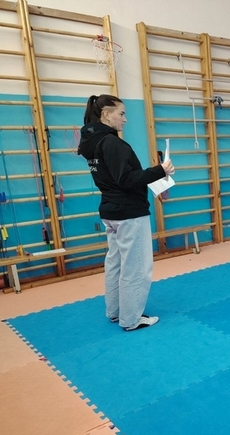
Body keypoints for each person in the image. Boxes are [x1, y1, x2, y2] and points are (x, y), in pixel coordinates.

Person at [78, 94, 175, 331]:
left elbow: (116, 178)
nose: (125, 119)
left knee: (116, 263)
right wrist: (160, 170)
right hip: (129, 213)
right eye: (121, 113)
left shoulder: (93, 142)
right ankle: (131, 319)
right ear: (106, 114)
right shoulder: (112, 143)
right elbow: (126, 179)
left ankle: (115, 311)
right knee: (136, 267)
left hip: (111, 211)